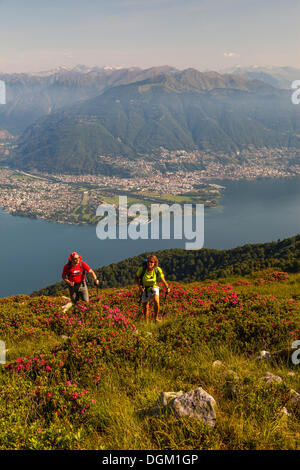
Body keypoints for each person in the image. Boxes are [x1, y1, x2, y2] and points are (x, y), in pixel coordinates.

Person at [134, 255, 170, 323]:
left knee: (156, 300)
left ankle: (156, 318)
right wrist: (139, 286)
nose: (149, 263)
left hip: (154, 287)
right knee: (145, 306)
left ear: (155, 263)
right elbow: (136, 278)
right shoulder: (142, 269)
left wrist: (167, 287)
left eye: (151, 262)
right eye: (148, 261)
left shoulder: (157, 270)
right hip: (144, 288)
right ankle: (146, 322)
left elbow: (163, 280)